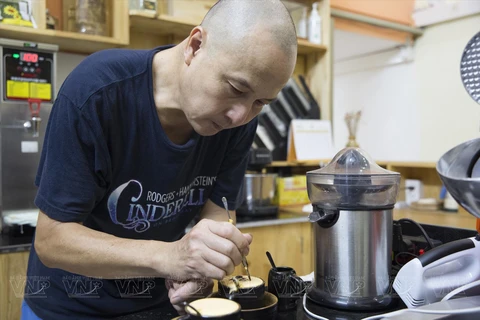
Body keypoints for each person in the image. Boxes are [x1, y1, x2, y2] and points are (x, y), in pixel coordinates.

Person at [21, 0, 298, 318]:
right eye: (236, 88)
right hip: (71, 307)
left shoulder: (239, 120)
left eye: (261, 101)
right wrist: (171, 255)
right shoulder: (97, 92)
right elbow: (52, 239)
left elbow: (219, 210)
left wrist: (205, 264)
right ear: (195, 46)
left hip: (161, 306)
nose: (241, 115)